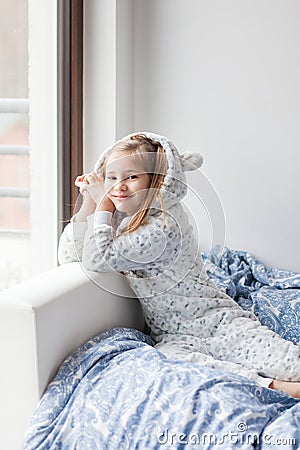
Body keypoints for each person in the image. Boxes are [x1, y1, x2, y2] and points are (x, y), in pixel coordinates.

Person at [58, 131, 300, 399]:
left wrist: (102, 204)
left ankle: (287, 380)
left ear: (156, 180)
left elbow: (96, 257)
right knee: (182, 367)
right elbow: (69, 256)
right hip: (172, 333)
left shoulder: (163, 225)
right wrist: (86, 208)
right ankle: (274, 388)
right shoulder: (125, 219)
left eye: (132, 177)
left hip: (213, 320)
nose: (119, 186)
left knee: (290, 364)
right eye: (111, 178)